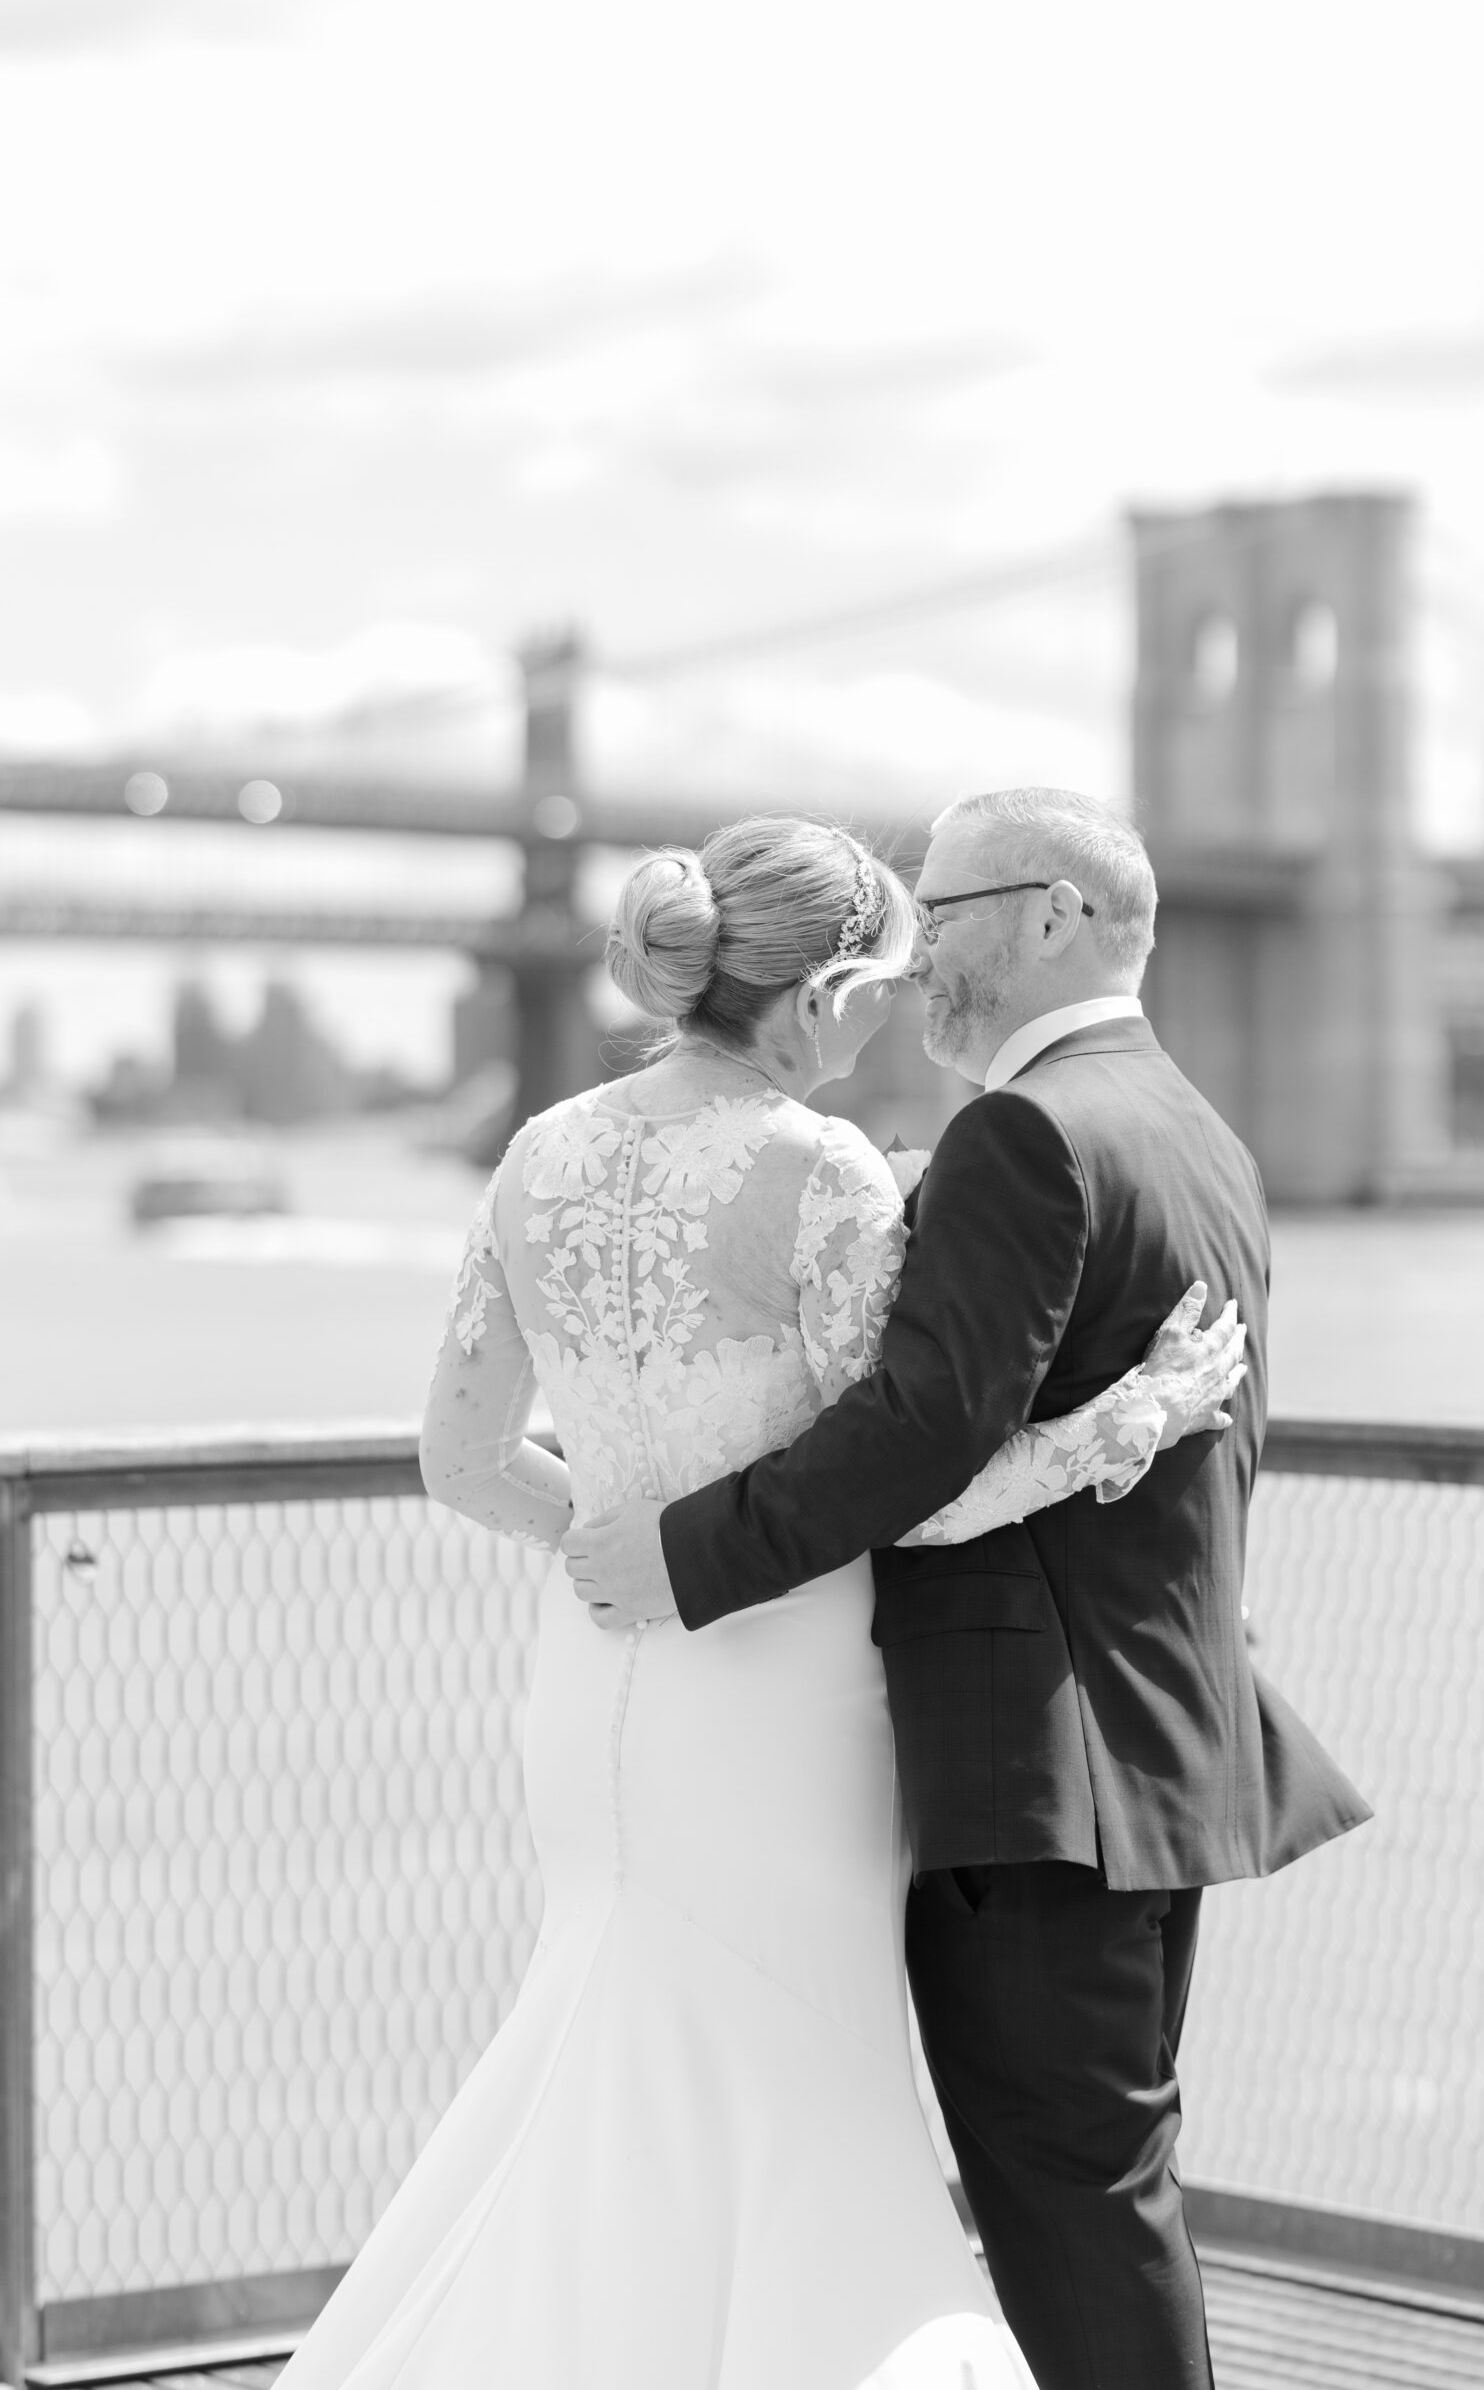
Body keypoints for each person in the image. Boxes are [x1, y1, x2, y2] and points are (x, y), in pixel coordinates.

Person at [274, 814, 1246, 2390]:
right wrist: (1128, 1417)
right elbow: (916, 1479)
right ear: (815, 996)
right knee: (788, 2064)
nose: (903, 1000)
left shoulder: (542, 1152)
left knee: (615, 2036)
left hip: (594, 1682)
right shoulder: (819, 1170)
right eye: (886, 973)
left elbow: (457, 1458)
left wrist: (613, 1539)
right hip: (788, 1686)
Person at [573, 788, 1372, 2390]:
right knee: (1101, 2189)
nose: (917, 952)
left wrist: (674, 1551)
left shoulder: (1028, 1131)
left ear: (1061, 917)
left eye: (946, 913)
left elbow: (921, 1434)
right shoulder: (1189, 1126)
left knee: (1069, 2211)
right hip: (1147, 1752)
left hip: (1040, 1779)